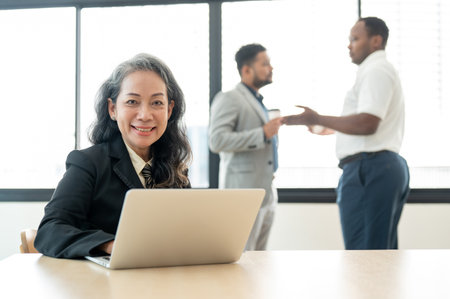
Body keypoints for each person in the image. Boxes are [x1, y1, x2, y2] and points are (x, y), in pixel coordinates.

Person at [35, 53, 192, 258]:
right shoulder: (88, 164)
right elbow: (50, 231)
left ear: (169, 110)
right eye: (132, 102)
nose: (145, 115)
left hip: (162, 280)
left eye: (156, 103)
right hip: (100, 284)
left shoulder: (176, 169)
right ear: (112, 109)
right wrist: (110, 245)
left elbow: (186, 233)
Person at [284, 17, 410, 250]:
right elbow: (368, 122)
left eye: (355, 39)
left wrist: (318, 118)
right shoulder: (377, 70)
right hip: (377, 167)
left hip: (369, 169)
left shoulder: (376, 70)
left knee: (365, 257)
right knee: (377, 255)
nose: (349, 45)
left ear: (376, 41)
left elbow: (368, 123)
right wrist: (327, 127)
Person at [209, 43, 283, 250]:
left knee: (259, 260)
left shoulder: (258, 100)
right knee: (243, 257)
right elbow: (217, 140)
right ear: (246, 70)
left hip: (266, 191)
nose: (271, 68)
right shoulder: (229, 98)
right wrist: (262, 133)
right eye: (265, 64)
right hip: (242, 192)